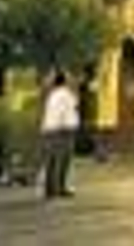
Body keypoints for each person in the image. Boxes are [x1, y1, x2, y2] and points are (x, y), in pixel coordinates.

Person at [40, 70, 79, 200]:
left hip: (49, 130)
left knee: (51, 160)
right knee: (64, 160)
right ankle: (60, 188)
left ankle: (49, 189)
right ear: (65, 81)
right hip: (63, 131)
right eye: (69, 78)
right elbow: (71, 108)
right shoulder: (66, 94)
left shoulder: (52, 95)